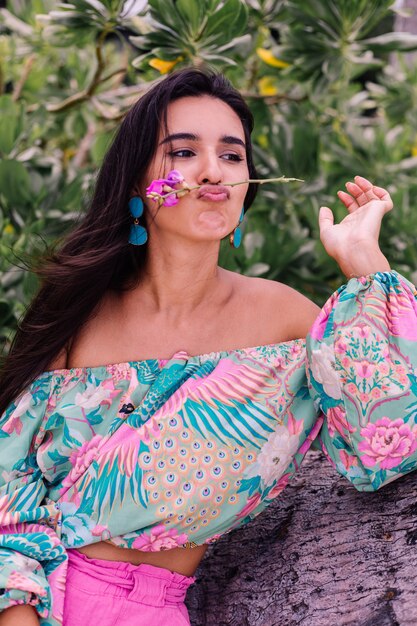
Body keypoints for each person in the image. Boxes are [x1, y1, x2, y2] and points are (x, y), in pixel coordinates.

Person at [0, 67, 416, 626]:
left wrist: (367, 268)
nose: (211, 170)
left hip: (154, 608)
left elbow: (385, 443)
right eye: (183, 151)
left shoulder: (284, 319)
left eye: (231, 155)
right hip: (32, 601)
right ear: (134, 182)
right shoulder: (77, 315)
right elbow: (10, 484)